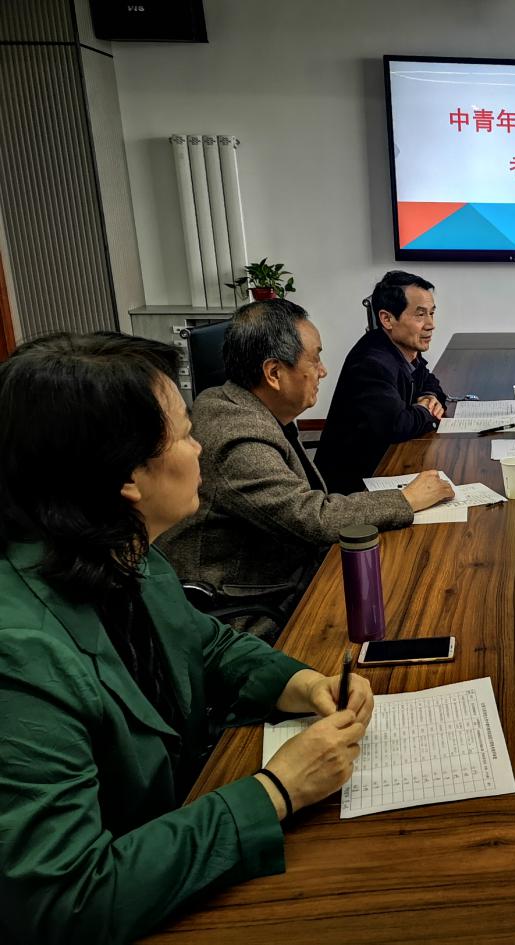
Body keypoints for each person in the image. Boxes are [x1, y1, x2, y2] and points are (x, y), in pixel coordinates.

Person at [0, 332, 375, 943]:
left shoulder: (120, 550)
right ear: (127, 477)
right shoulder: (18, 655)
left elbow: (204, 643)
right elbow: (67, 901)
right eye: (183, 433)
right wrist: (277, 791)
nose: (200, 447)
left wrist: (304, 684)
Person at [157, 299, 453, 633]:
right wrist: (406, 499)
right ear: (273, 373)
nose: (323, 371)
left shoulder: (241, 404)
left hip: (284, 567)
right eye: (315, 359)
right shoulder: (237, 437)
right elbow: (312, 518)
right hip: (251, 607)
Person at [315, 270, 449, 495]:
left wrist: (430, 396)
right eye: (420, 315)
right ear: (387, 319)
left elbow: (430, 382)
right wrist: (426, 411)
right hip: (354, 491)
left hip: (387, 468)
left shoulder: (403, 349)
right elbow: (396, 426)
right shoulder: (371, 362)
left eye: (432, 314)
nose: (430, 324)